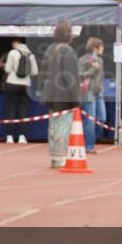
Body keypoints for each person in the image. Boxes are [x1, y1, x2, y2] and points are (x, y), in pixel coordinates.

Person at [40, 21, 80, 169]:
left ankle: (55, 157)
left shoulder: (50, 49)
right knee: (63, 126)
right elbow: (71, 77)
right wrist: (76, 99)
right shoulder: (68, 51)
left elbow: (43, 70)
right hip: (64, 95)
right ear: (68, 35)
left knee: (53, 127)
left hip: (50, 93)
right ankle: (61, 157)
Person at [1, 37, 38, 144]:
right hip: (25, 85)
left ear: (16, 45)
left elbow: (7, 69)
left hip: (12, 83)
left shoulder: (12, 53)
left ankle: (9, 137)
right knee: (23, 110)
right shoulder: (31, 55)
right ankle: (22, 136)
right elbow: (35, 72)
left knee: (10, 109)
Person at [78, 37, 106, 154]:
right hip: (88, 93)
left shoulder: (100, 61)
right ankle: (88, 146)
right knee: (89, 120)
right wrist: (92, 71)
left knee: (101, 119)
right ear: (95, 48)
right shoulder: (83, 60)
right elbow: (79, 75)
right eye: (101, 46)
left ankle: (89, 142)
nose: (103, 48)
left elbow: (101, 77)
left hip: (98, 93)